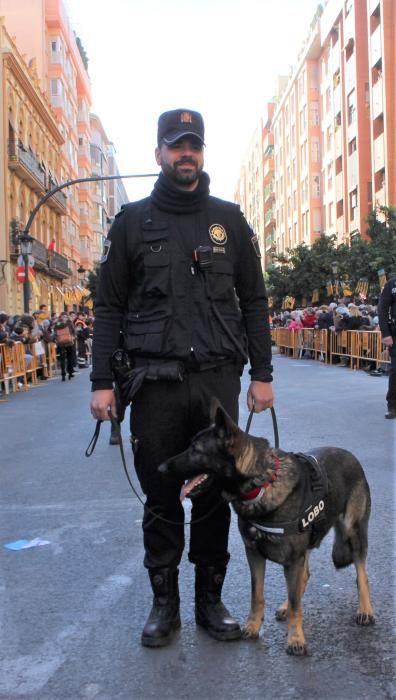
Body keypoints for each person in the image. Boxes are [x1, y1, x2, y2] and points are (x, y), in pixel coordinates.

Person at [90, 108, 274, 648]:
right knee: (161, 495)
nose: (184, 154)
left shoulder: (230, 221)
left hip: (216, 378)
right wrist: (102, 381)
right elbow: (109, 308)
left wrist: (262, 374)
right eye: (175, 146)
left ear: (201, 152)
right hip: (154, 385)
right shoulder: (130, 223)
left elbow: (255, 302)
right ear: (159, 155)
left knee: (216, 495)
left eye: (192, 145)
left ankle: (210, 602)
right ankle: (163, 604)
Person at [378, 276, 396, 419]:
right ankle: (392, 406)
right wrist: (386, 333)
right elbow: (382, 309)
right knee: (395, 371)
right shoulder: (392, 284)